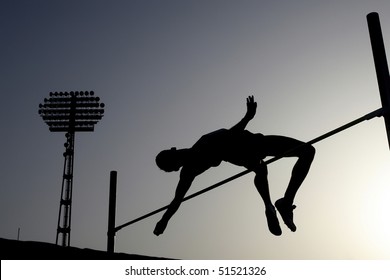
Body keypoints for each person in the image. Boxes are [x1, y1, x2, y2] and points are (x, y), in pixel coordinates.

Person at [154, 96, 315, 236]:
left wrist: (164, 221)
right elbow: (230, 135)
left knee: (261, 169)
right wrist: (247, 117)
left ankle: (270, 205)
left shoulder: (188, 171)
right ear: (174, 157)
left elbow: (177, 201)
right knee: (307, 151)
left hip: (240, 155)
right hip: (254, 144)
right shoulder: (202, 146)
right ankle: (283, 204)